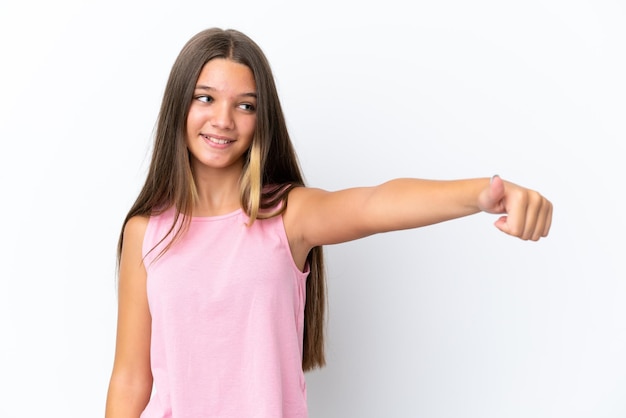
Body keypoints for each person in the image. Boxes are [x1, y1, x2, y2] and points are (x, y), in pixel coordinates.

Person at [104, 27, 552, 418]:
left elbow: (375, 203)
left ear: (262, 120)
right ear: (179, 104)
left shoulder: (287, 215)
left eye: (245, 106)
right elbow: (130, 378)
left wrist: (481, 194)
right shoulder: (146, 231)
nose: (223, 120)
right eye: (205, 98)